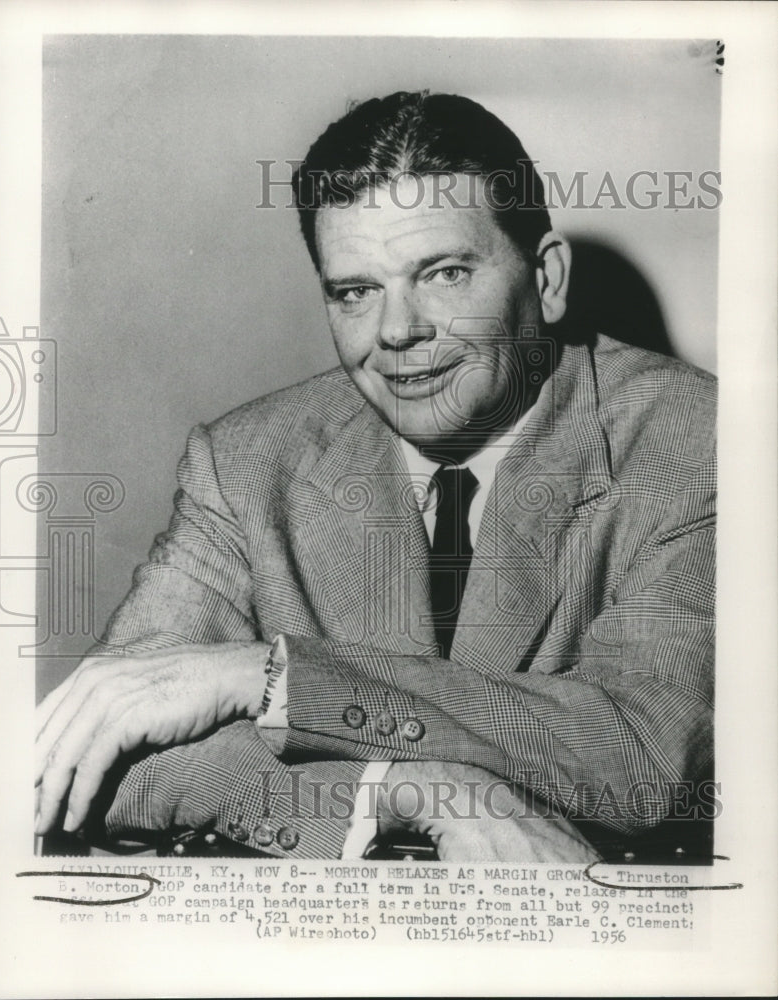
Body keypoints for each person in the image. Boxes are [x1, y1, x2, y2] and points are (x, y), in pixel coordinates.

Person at [35, 91, 715, 862]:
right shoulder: (245, 462)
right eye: (355, 292)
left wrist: (272, 679)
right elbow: (103, 751)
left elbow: (641, 752)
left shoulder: (694, 439)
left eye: (445, 273)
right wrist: (401, 793)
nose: (396, 331)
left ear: (547, 279)